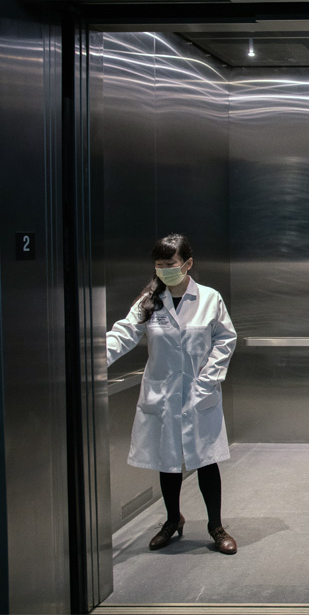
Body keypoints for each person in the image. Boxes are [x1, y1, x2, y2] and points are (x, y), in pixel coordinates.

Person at [107, 234, 239, 555]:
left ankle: (215, 526)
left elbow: (226, 339)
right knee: (168, 463)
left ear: (188, 264)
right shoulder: (149, 301)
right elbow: (123, 333)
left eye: (171, 264)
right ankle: (172, 520)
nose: (164, 270)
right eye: (159, 265)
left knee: (206, 462)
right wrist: (91, 360)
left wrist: (208, 380)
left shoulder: (209, 298)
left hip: (199, 394)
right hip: (163, 395)